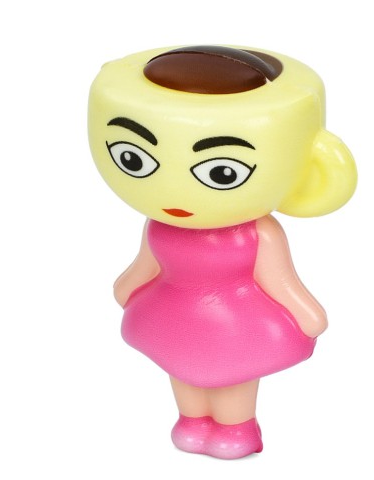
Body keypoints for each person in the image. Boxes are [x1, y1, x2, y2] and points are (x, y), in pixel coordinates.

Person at [88, 45, 357, 459]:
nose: (176, 195)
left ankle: (236, 426)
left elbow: (280, 281)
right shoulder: (159, 225)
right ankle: (192, 420)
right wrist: (128, 284)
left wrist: (307, 313)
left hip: (237, 322)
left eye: (223, 172)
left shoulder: (258, 234)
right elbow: (148, 261)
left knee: (232, 375)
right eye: (134, 159)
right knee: (179, 367)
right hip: (172, 314)